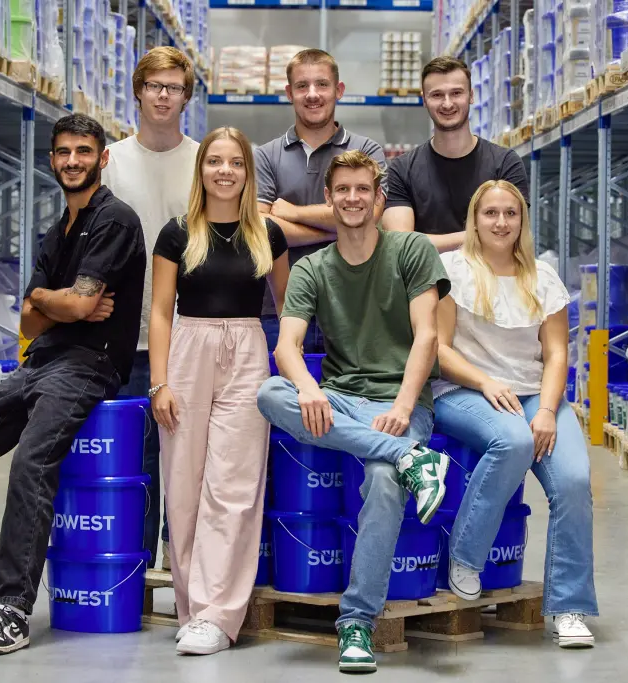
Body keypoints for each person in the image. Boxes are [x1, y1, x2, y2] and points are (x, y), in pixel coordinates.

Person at [0, 114, 146, 655]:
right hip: (39, 362)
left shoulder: (115, 221)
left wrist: (57, 303)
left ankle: (12, 612)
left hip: (88, 365)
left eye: (84, 151)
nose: (73, 161)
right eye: (64, 152)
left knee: (30, 464)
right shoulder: (57, 230)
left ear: (102, 158)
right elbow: (28, 320)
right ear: (51, 160)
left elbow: (76, 305)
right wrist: (57, 303)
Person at [256, 151, 450, 674]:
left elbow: (427, 336)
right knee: (271, 393)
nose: (352, 198)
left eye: (363, 188)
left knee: (385, 482)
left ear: (379, 197)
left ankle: (357, 620)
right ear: (329, 198)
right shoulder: (312, 268)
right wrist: (307, 388)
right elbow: (287, 347)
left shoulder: (410, 250)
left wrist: (404, 406)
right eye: (342, 189)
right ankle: (410, 457)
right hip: (340, 398)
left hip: (400, 401)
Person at [432, 179, 597, 649]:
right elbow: (440, 349)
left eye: (511, 213)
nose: (501, 222)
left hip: (533, 394)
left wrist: (546, 409)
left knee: (573, 481)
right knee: (513, 440)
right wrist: (485, 382)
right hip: (464, 389)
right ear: (474, 218)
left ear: (522, 220)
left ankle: (569, 607)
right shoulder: (453, 270)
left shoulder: (542, 277)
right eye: (490, 213)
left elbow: (558, 354)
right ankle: (466, 556)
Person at [149, 127, 290, 656]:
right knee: (183, 486)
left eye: (235, 162)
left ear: (248, 173)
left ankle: (218, 614)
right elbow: (160, 312)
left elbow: (289, 307)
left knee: (234, 487)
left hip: (247, 353)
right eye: (215, 161)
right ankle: (191, 610)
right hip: (187, 353)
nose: (225, 171)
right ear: (201, 169)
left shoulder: (268, 234)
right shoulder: (176, 233)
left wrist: (289, 366)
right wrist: (160, 382)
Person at [104, 46, 200, 569]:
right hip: (126, 336)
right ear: (138, 92)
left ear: (187, 96)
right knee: (137, 459)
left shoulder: (204, 162)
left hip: (190, 334)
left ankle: (181, 566)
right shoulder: (111, 161)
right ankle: (137, 571)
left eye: (174, 87)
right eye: (154, 86)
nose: (163, 96)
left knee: (186, 460)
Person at [254, 48, 388, 352]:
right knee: (280, 383)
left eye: (322, 84)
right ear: (289, 93)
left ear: (338, 90)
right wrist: (339, 228)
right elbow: (261, 228)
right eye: (302, 86)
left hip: (353, 309)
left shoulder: (367, 151)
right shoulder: (266, 156)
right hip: (279, 309)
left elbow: (371, 216)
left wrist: (293, 213)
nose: (312, 94)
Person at [383, 56, 530, 253]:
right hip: (426, 275)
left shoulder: (505, 164)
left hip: (490, 273)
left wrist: (425, 242)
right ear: (424, 99)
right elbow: (401, 245)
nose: (447, 104)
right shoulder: (401, 170)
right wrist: (481, 234)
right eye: (437, 95)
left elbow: (513, 235)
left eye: (456, 93)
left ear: (471, 95)